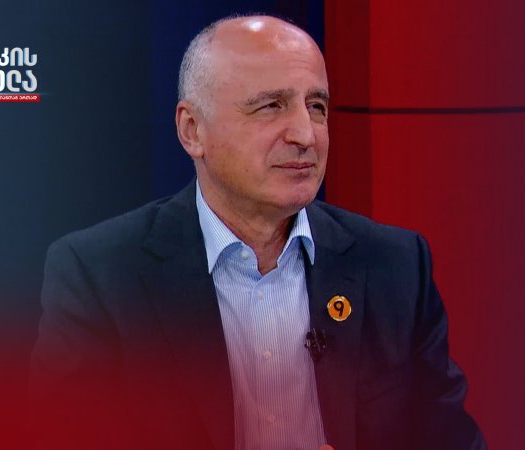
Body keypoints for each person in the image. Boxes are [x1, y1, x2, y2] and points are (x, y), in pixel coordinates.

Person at [30, 14, 486, 450]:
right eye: (271, 106)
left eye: (317, 107)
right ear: (193, 131)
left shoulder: (396, 266)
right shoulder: (102, 277)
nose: (306, 135)